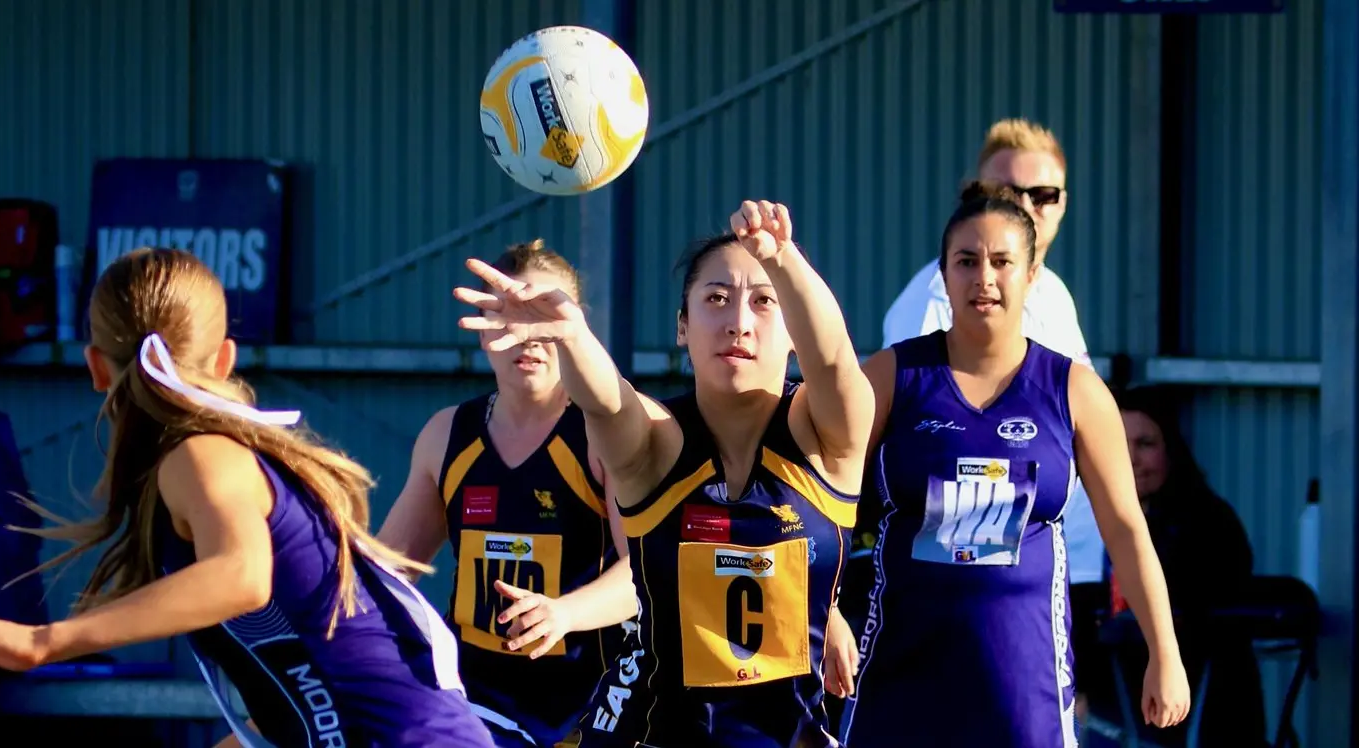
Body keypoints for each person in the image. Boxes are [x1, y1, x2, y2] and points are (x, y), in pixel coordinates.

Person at [0, 248, 493, 748]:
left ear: (96, 366)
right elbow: (303, 670)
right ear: (223, 360)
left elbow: (241, 576)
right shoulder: (207, 462)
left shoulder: (201, 456)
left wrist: (44, 643)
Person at [453, 200, 873, 748]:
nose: (739, 322)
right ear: (683, 326)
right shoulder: (658, 439)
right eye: (716, 299)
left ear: (793, 327)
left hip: (792, 736)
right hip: (655, 734)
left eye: (764, 302)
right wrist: (573, 337)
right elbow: (607, 404)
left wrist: (783, 259)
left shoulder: (826, 439)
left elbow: (836, 359)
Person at [837, 183, 1189, 747]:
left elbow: (1125, 528)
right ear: (943, 276)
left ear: (1031, 276)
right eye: (966, 261)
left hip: (1025, 674)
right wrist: (827, 612)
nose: (984, 278)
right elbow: (824, 499)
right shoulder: (891, 375)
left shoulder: (1075, 389)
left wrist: (1164, 652)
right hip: (901, 664)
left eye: (1002, 262)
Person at [378, 240, 636, 748]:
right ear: (483, 323)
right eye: (512, 315)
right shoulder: (447, 434)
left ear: (574, 323)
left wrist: (564, 613)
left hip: (585, 703)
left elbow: (641, 575)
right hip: (473, 700)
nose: (530, 336)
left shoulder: (602, 433)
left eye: (544, 315)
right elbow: (388, 573)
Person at [875, 117, 1106, 591]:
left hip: (1068, 558)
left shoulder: (1056, 293)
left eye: (1044, 195)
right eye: (1007, 191)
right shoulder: (938, 298)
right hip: (972, 579)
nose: (1026, 206)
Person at [1082, 385, 1264, 746]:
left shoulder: (1210, 522)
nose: (1131, 458)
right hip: (1111, 712)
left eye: (1145, 444)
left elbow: (1204, 615)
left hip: (1197, 709)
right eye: (1120, 444)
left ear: (1172, 451)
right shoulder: (1082, 519)